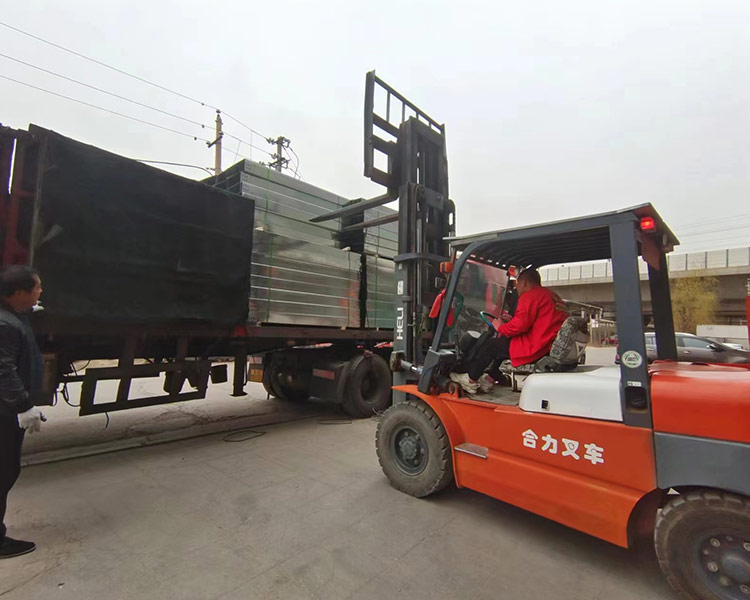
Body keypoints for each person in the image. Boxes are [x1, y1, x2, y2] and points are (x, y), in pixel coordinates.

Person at [451, 268, 568, 393]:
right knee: (502, 343)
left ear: (524, 283)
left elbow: (520, 326)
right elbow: (535, 321)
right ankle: (490, 379)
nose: (516, 288)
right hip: (546, 344)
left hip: (535, 347)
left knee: (490, 346)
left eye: (518, 284)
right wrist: (512, 320)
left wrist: (500, 327)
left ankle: (470, 380)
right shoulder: (551, 296)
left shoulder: (530, 296)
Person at [0, 265, 45, 559]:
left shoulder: (12, 316)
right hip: (4, 413)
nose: (41, 291)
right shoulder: (5, 325)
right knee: (3, 470)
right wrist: (23, 405)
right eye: (36, 287)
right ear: (18, 293)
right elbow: (3, 370)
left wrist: (27, 311)